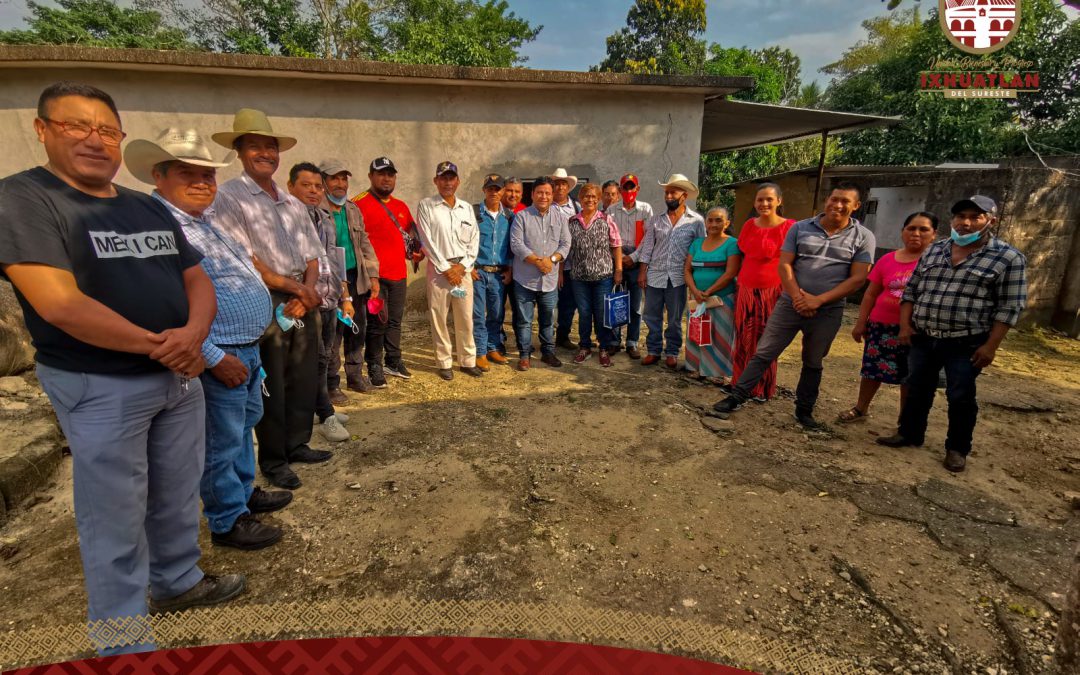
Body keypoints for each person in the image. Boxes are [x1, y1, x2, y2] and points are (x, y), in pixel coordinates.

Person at [0, 82, 244, 653]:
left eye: (106, 130)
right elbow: (58, 303)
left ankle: (178, 580)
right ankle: (123, 636)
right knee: (114, 512)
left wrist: (192, 335)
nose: (93, 139)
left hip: (176, 378)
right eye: (75, 126)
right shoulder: (25, 199)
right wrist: (161, 345)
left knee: (178, 491)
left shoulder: (139, 205)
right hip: (101, 383)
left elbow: (196, 279)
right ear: (42, 130)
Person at [127, 128, 290, 551]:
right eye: (188, 173)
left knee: (242, 428)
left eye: (208, 175)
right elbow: (168, 309)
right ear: (158, 176)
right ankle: (227, 519)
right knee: (220, 438)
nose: (202, 182)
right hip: (222, 352)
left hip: (247, 346)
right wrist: (214, 357)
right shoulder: (161, 229)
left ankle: (242, 493)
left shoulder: (207, 221)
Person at [212, 108, 330, 491]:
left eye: (270, 147)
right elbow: (248, 259)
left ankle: (298, 443)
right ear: (240, 151)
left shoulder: (293, 203)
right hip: (267, 299)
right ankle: (274, 458)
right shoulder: (230, 197)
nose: (265, 153)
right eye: (255, 146)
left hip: (303, 296)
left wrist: (308, 292)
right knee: (273, 381)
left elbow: (313, 255)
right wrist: (298, 292)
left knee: (303, 373)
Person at [878, 196, 1027, 473]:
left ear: (990, 220)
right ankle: (909, 433)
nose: (966, 222)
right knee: (917, 387)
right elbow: (911, 291)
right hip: (924, 335)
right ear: (953, 220)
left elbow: (1009, 307)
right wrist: (905, 326)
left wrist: (991, 347)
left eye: (975, 216)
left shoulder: (1008, 258)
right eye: (960, 216)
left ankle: (957, 448)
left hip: (966, 341)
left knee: (960, 395)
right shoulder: (935, 251)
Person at [713, 183, 876, 429]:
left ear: (856, 206)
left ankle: (804, 411)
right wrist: (798, 297)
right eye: (834, 199)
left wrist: (819, 300)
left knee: (813, 360)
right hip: (790, 303)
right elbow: (785, 265)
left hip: (828, 310)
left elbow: (858, 278)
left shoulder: (863, 237)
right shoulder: (801, 228)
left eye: (845, 201)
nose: (837, 205)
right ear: (826, 200)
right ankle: (737, 397)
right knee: (764, 351)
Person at [838, 212, 937, 425]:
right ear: (903, 231)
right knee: (872, 370)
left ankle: (905, 421)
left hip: (915, 330)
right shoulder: (887, 259)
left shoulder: (935, 265)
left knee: (909, 376)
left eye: (923, 229)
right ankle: (860, 408)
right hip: (880, 326)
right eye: (911, 228)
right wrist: (861, 322)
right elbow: (871, 294)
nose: (916, 234)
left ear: (934, 234)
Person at [286, 162, 352, 444]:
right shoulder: (284, 219)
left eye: (317, 186)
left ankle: (322, 409)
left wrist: (344, 297)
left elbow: (334, 259)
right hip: (301, 302)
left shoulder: (323, 216)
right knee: (306, 361)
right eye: (306, 185)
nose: (313, 191)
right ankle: (323, 416)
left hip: (328, 298)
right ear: (290, 187)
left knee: (325, 357)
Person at [353, 157, 421, 382]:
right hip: (376, 279)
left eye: (390, 174)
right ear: (371, 176)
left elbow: (411, 235)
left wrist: (417, 251)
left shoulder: (401, 206)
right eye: (381, 174)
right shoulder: (358, 204)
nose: (386, 179)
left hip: (399, 275)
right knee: (377, 323)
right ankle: (374, 365)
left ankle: (393, 360)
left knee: (395, 321)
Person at [414, 161, 482, 381]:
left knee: (464, 317)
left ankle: (467, 360)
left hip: (461, 274)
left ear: (458, 181)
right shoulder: (427, 206)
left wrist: (462, 267)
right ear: (436, 181)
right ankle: (444, 362)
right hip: (439, 273)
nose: (447, 182)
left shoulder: (466, 209)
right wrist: (446, 268)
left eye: (451, 178)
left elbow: (474, 240)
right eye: (443, 178)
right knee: (439, 317)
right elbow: (426, 240)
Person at [319, 159, 382, 389]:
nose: (340, 183)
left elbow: (364, 242)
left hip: (356, 277)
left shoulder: (352, 209)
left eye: (344, 178)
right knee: (333, 333)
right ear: (324, 181)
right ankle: (331, 382)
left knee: (357, 328)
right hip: (330, 280)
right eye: (334, 178)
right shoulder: (318, 211)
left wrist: (373, 276)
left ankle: (355, 376)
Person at [730, 183, 796, 401]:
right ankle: (739, 384)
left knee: (766, 342)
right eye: (760, 200)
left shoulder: (790, 228)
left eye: (769, 199)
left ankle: (762, 388)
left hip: (773, 292)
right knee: (743, 338)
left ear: (779, 201)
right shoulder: (749, 225)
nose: (764, 203)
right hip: (746, 289)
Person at [637, 173, 705, 369]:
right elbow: (648, 247)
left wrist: (696, 278)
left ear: (684, 196)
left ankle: (672, 352)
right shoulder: (657, 220)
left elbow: (700, 249)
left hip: (678, 277)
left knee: (674, 318)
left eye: (673, 193)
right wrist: (642, 271)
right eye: (667, 193)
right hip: (655, 275)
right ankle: (653, 350)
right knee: (651, 315)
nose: (668, 196)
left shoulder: (696, 221)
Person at [510, 177, 571, 370]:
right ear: (532, 194)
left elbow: (566, 244)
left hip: (549, 280)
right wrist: (538, 261)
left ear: (552, 195)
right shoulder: (522, 217)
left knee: (547, 319)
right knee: (524, 320)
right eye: (540, 192)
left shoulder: (561, 218)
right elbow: (516, 244)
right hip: (524, 279)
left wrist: (551, 260)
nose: (544, 196)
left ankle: (548, 352)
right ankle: (525, 354)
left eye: (547, 193)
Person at [566, 182, 623, 367]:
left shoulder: (606, 220)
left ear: (598, 200)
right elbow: (565, 249)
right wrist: (560, 273)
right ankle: (584, 347)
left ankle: (604, 348)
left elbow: (616, 246)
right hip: (579, 277)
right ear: (580, 199)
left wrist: (618, 270)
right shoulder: (572, 221)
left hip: (603, 277)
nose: (589, 199)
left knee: (601, 313)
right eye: (586, 196)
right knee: (583, 313)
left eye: (593, 197)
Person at [684, 207, 741, 383]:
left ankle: (717, 372)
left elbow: (730, 273)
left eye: (719, 220)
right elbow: (687, 270)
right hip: (698, 300)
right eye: (710, 220)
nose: (714, 224)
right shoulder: (697, 243)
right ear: (705, 222)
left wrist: (709, 292)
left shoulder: (732, 244)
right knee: (697, 332)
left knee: (719, 335)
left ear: (727, 223)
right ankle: (695, 367)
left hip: (721, 299)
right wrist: (695, 292)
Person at [605, 173, 654, 359]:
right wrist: (620, 259)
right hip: (616, 261)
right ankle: (613, 341)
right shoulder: (611, 210)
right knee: (615, 303)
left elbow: (649, 238)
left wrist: (633, 257)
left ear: (637, 189)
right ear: (620, 190)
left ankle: (632, 342)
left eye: (631, 187)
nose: (628, 191)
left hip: (636, 262)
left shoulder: (645, 209)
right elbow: (608, 239)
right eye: (625, 187)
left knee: (635, 306)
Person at [472, 173, 513, 368]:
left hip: (498, 274)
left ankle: (492, 347)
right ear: (484, 190)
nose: (494, 192)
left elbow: (513, 245)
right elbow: (465, 241)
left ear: (503, 191)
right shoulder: (474, 213)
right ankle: (480, 351)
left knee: (496, 314)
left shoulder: (509, 217)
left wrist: (510, 269)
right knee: (478, 314)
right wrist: (469, 267)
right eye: (490, 189)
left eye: (497, 189)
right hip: (478, 272)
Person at [550, 168, 582, 351]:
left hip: (571, 264)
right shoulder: (546, 205)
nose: (560, 187)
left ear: (568, 187)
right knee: (549, 303)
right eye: (557, 183)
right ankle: (548, 337)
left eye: (563, 184)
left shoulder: (576, 207)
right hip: (550, 262)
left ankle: (563, 336)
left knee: (568, 303)